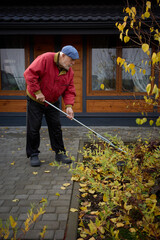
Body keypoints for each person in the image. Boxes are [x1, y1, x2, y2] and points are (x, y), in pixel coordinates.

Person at [24, 45, 79, 167]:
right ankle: (33, 154)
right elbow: (29, 74)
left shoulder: (69, 71)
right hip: (35, 100)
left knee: (56, 127)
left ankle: (60, 153)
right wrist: (37, 92)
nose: (73, 63)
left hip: (52, 101)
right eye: (71, 60)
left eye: (74, 61)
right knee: (34, 127)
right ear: (63, 55)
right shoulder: (45, 59)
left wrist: (69, 106)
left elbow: (69, 89)